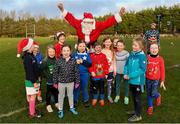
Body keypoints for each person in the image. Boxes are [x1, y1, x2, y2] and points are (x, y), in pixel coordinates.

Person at [57, 3, 125, 48]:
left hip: (93, 43)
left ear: (93, 22)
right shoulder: (79, 24)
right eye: (86, 23)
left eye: (90, 23)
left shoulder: (98, 25)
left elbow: (108, 22)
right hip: (81, 43)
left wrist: (119, 14)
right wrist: (62, 10)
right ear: (84, 22)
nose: (88, 24)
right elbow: (71, 18)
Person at [53, 44, 80, 119]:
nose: (66, 52)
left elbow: (76, 72)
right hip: (61, 82)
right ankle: (60, 109)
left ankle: (71, 107)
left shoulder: (73, 60)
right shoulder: (58, 61)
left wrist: (77, 81)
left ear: (70, 52)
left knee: (70, 95)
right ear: (61, 52)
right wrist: (55, 82)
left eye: (67, 50)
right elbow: (55, 72)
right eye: (64, 50)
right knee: (61, 96)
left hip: (71, 82)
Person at [124, 37, 147, 122]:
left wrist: (130, 75)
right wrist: (125, 73)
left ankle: (138, 115)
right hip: (131, 81)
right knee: (133, 97)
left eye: (136, 45)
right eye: (133, 45)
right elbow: (126, 65)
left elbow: (142, 69)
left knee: (137, 98)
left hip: (138, 82)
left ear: (141, 47)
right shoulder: (132, 54)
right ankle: (136, 110)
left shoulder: (142, 56)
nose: (133, 46)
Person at [17, 38, 41, 118]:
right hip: (31, 80)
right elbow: (29, 71)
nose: (34, 45)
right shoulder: (28, 58)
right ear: (28, 47)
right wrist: (34, 82)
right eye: (32, 45)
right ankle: (32, 113)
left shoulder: (30, 55)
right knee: (33, 96)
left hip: (32, 79)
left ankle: (32, 109)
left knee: (32, 96)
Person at [146, 43, 166, 115]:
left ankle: (158, 95)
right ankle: (150, 106)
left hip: (156, 80)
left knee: (153, 93)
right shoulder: (147, 57)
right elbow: (144, 68)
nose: (154, 50)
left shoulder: (160, 59)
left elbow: (163, 70)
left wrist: (162, 81)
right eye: (152, 48)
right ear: (149, 49)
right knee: (149, 93)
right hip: (148, 79)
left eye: (155, 48)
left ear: (158, 49)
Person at [72, 41, 92, 107]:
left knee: (84, 87)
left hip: (85, 74)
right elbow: (70, 62)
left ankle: (86, 100)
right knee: (76, 87)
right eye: (80, 46)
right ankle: (75, 100)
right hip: (75, 74)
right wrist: (75, 61)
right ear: (77, 47)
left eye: (83, 46)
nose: (82, 47)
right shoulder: (74, 54)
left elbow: (89, 64)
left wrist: (82, 61)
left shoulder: (87, 54)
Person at [41, 45, 59, 112]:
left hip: (56, 80)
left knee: (56, 91)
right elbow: (41, 70)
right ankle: (48, 105)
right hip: (49, 81)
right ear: (47, 53)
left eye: (53, 51)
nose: (52, 53)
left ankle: (56, 103)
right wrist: (46, 76)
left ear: (55, 52)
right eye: (50, 52)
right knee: (49, 92)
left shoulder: (57, 60)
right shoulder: (45, 61)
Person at [114, 39, 129, 104]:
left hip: (125, 72)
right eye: (118, 45)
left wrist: (127, 72)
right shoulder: (115, 53)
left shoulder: (127, 53)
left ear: (124, 46)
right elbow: (114, 62)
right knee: (117, 84)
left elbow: (129, 63)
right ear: (116, 46)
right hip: (118, 72)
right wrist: (115, 70)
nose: (119, 47)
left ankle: (126, 97)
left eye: (121, 45)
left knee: (126, 85)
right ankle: (117, 95)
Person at [101, 37, 116, 103]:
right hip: (102, 71)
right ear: (103, 43)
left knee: (109, 83)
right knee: (101, 83)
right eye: (106, 41)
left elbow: (114, 61)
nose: (107, 43)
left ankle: (109, 96)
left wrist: (114, 70)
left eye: (109, 42)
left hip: (110, 70)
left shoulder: (112, 51)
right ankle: (101, 96)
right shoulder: (101, 51)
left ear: (111, 43)